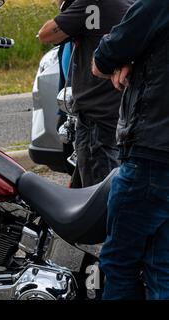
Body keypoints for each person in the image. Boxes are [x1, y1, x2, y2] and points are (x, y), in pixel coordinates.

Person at [92, 0, 169, 300]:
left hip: (151, 154)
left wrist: (129, 59)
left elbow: (102, 58)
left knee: (119, 263)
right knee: (161, 266)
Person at [38, 0, 134, 187]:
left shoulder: (91, 5)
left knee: (97, 192)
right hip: (123, 112)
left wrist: (67, 6)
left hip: (96, 116)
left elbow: (46, 34)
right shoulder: (134, 4)